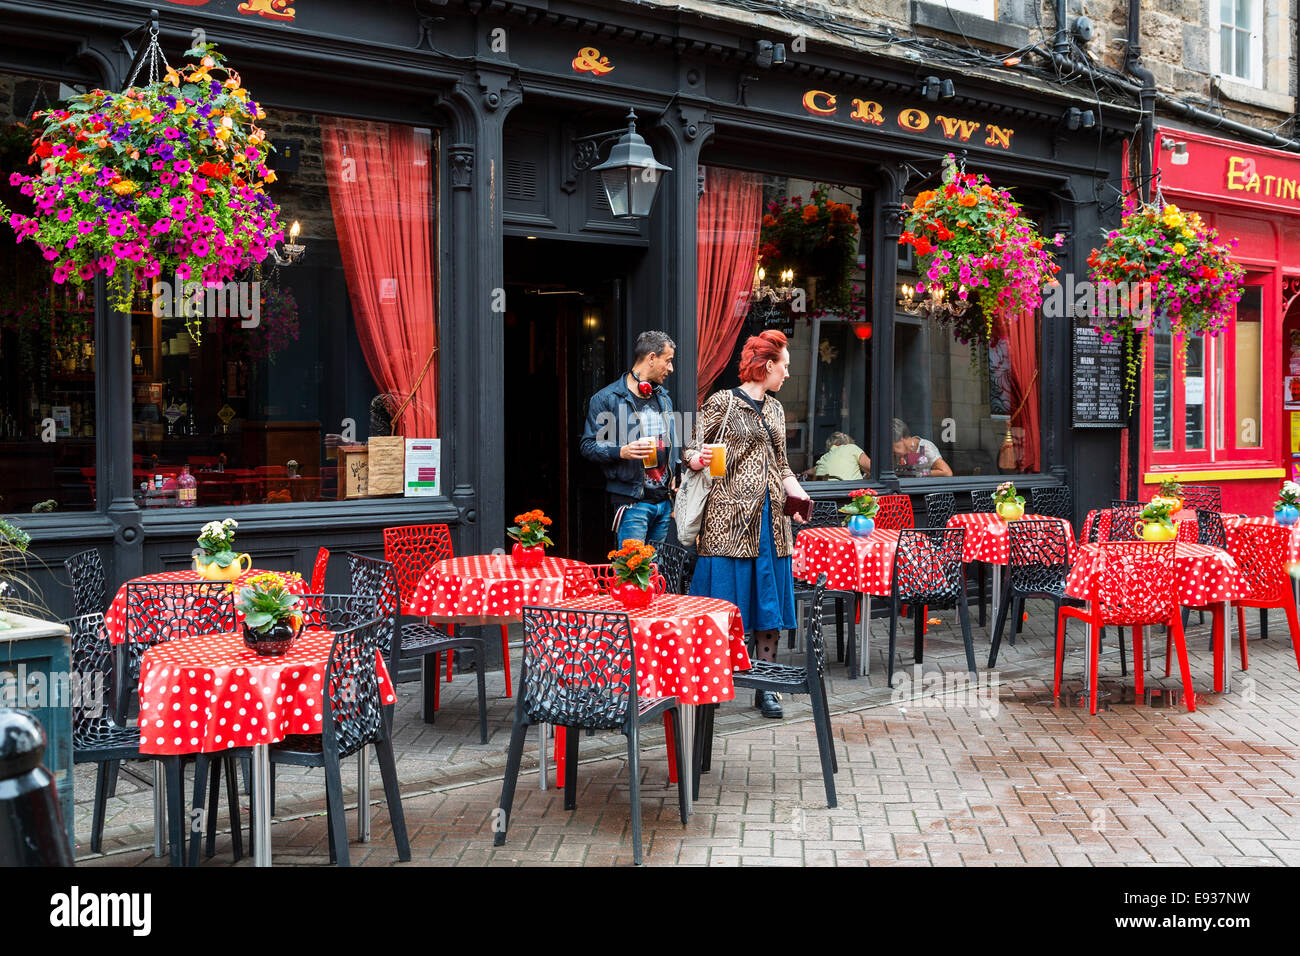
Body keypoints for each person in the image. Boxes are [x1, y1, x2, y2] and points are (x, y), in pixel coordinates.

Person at [684, 329, 808, 719]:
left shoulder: (775, 409)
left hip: (771, 522)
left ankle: (766, 686)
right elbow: (690, 446)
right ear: (767, 365)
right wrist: (696, 459)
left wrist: (798, 493)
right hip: (727, 523)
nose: (787, 374)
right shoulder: (722, 401)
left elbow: (783, 463)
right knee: (723, 606)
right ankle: (713, 682)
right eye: (784, 367)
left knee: (767, 607)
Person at [579, 330, 680, 546]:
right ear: (652, 358)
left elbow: (673, 442)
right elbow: (587, 446)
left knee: (654, 572)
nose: (671, 369)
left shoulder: (663, 397)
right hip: (633, 504)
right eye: (668, 361)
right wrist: (621, 451)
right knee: (631, 572)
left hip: (664, 504)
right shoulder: (606, 399)